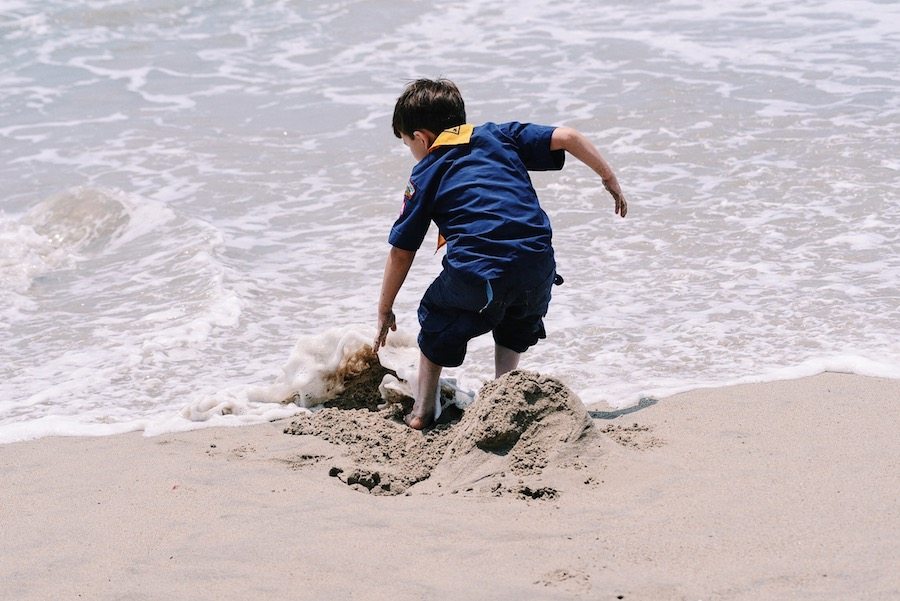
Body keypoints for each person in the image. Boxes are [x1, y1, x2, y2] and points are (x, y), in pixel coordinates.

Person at [373, 78, 626, 430]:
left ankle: (422, 412)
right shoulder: (498, 135)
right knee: (515, 318)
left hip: (480, 272)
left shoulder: (427, 170)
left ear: (422, 138)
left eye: (407, 144)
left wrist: (385, 308)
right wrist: (608, 177)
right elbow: (568, 137)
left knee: (435, 314)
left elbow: (402, 250)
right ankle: (503, 392)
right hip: (539, 264)